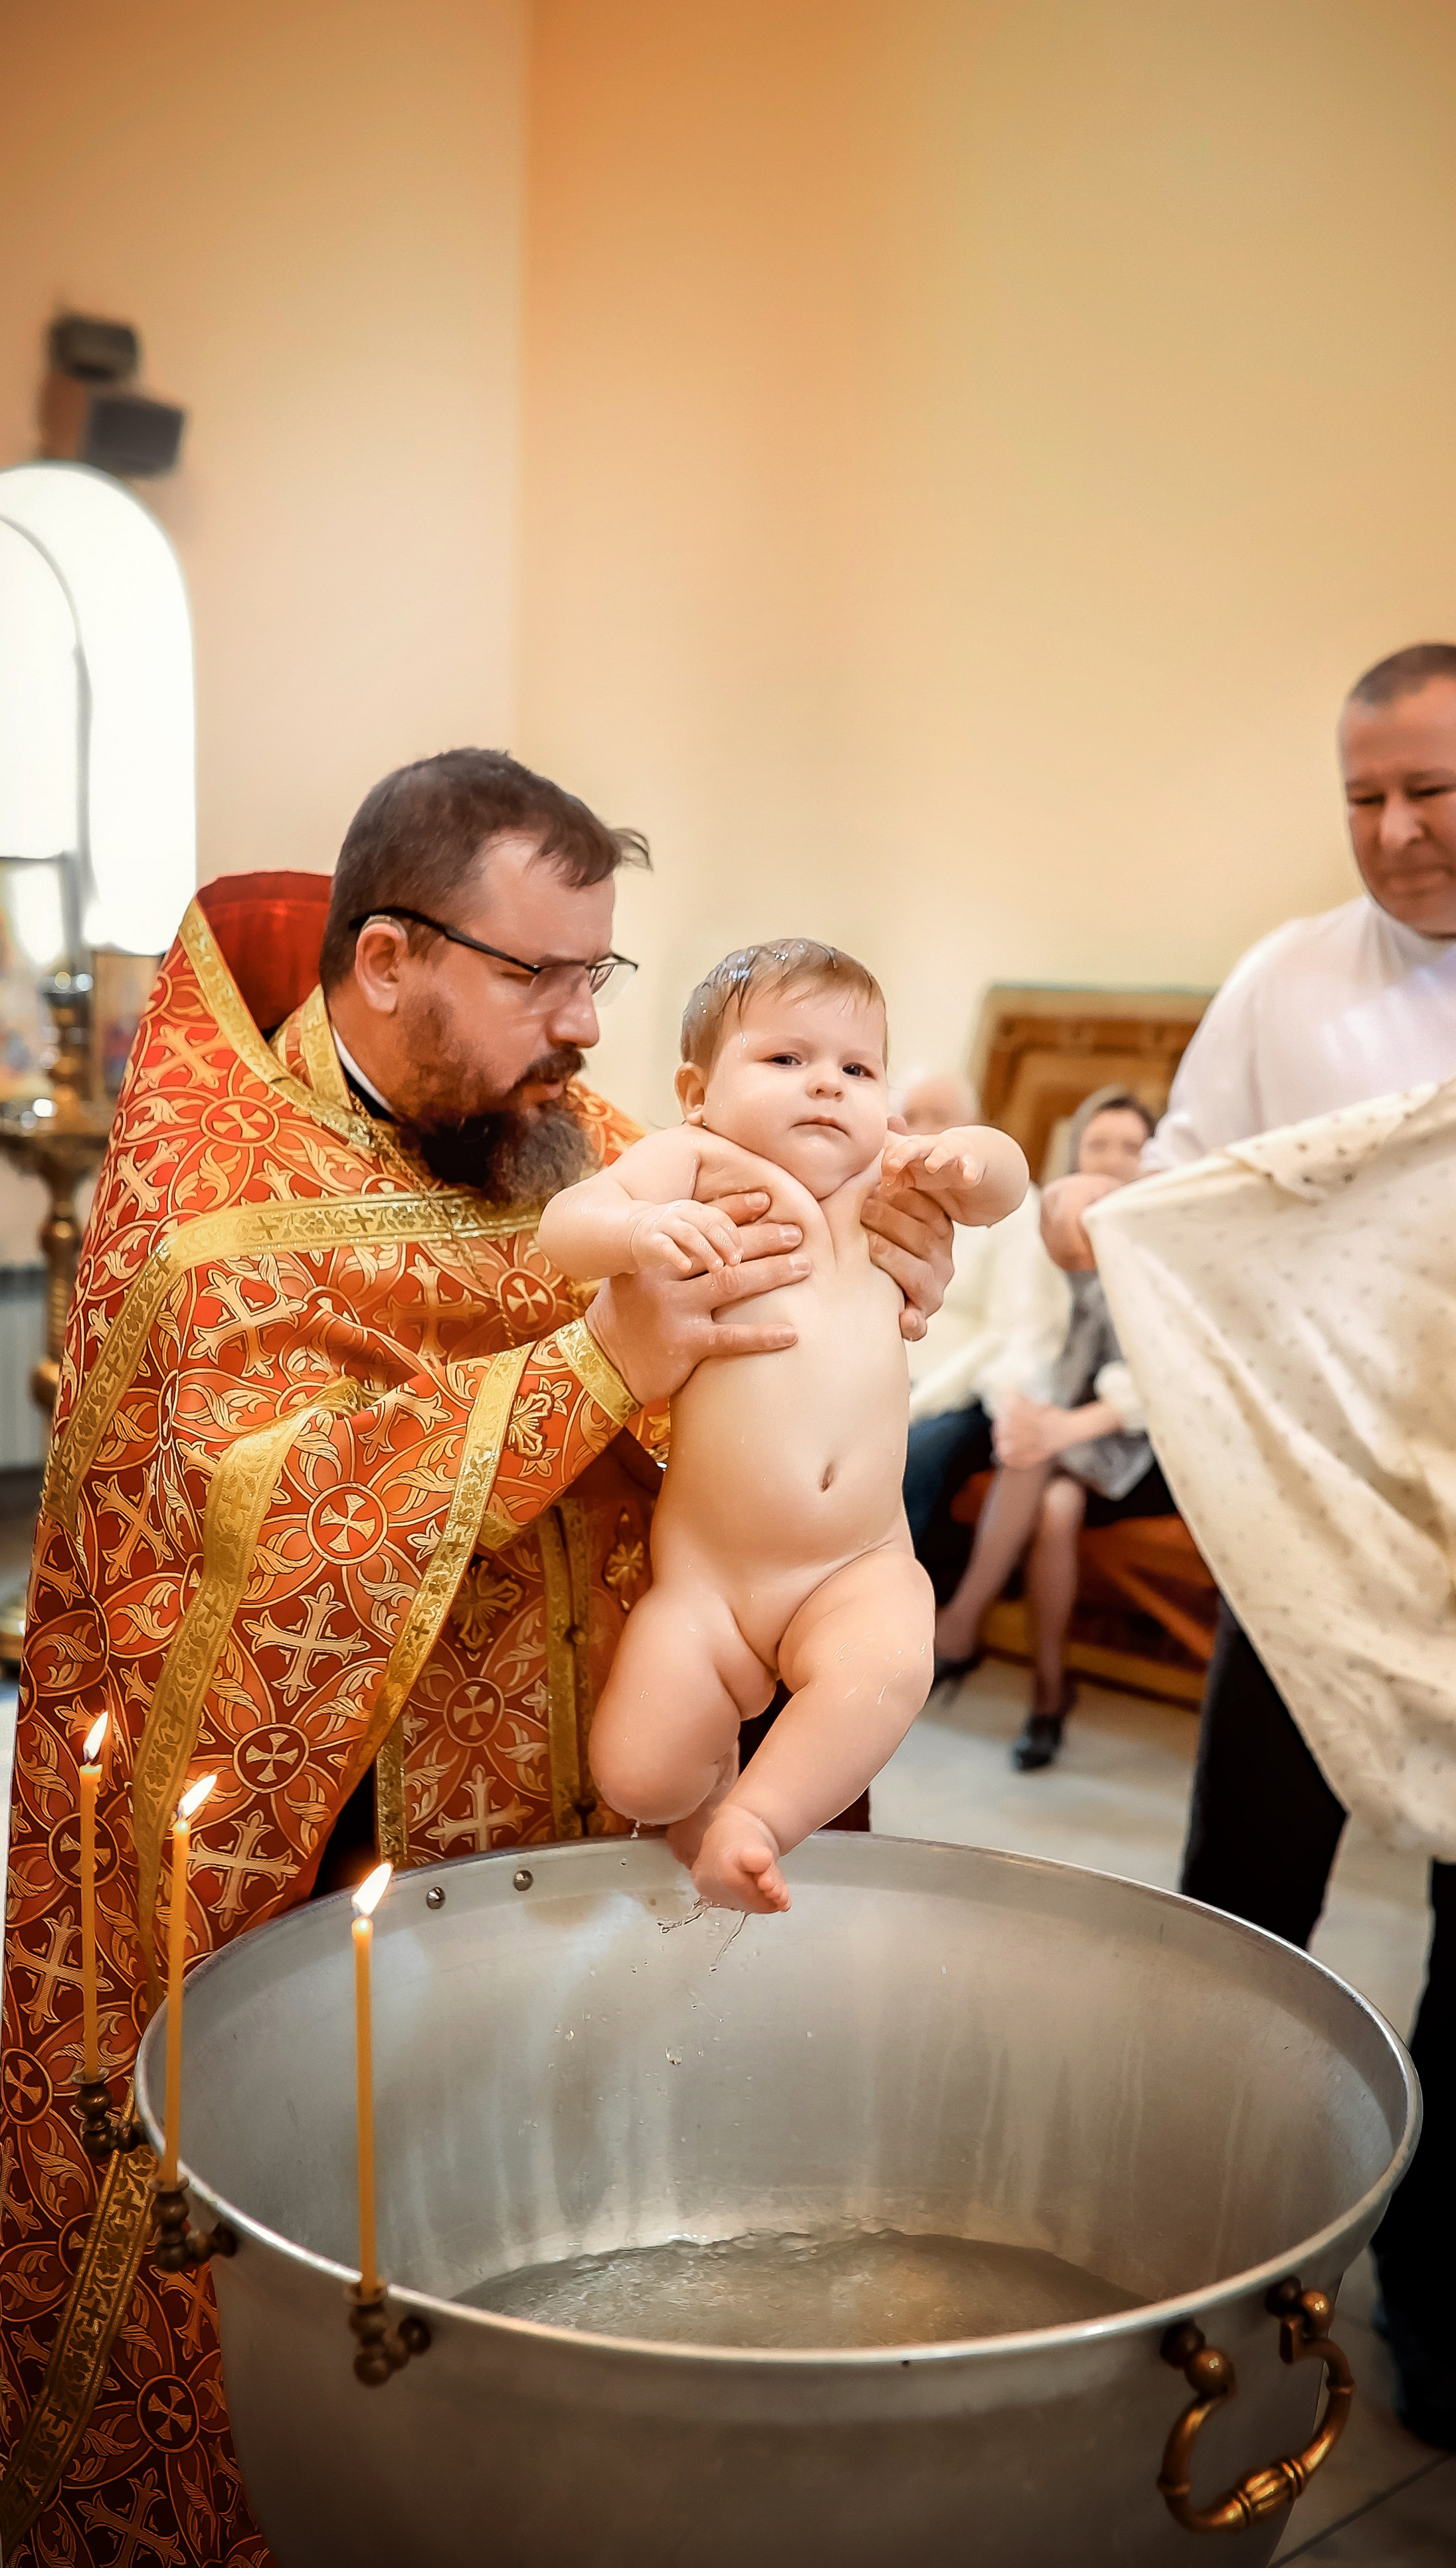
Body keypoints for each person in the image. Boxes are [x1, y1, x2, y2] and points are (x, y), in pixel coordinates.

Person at [0, 756, 953, 2567]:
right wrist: (605, 1361)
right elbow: (252, 1533)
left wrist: (862, 1300)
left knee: (516, 2291)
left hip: (557, 1795)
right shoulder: (211, 1198)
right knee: (309, 2306)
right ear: (385, 961)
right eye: (543, 980)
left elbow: (735, 1417)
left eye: (602, 972)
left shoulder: (573, 1134)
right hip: (316, 1863)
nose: (583, 1027)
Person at [1044, 643, 1456, 2454]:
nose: (1396, 831)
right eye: (1362, 797)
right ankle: (1218, 2225)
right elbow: (1163, 1189)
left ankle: (1440, 2268)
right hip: (1319, 1540)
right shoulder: (1286, 980)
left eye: (1431, 789)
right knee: (1243, 1903)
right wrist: (1078, 1208)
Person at [539, 941, 1028, 1913]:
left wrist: (971, 1162)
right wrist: (639, 1231)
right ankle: (703, 1784)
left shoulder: (889, 1179)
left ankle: (755, 1819)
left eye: (856, 1068)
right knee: (637, 1773)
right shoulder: (694, 1164)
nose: (826, 1089)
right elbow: (565, 1225)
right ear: (696, 1087)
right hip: (711, 1584)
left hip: (856, 1561)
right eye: (786, 1060)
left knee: (892, 1662)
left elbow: (1006, 1181)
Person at [933, 1088, 1172, 1770]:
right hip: (1062, 1430)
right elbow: (1029, 1338)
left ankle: (957, 1627)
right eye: (1099, 1145)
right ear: (1076, 1152)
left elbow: (1158, 1382)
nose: (1114, 1159)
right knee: (1056, 1508)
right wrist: (1023, 1411)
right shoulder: (1052, 1225)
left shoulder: (1161, 1237)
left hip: (1138, 1435)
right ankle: (1046, 1694)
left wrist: (1057, 1429)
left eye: (1131, 1146)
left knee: (1039, 1463)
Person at [895, 1067, 1069, 1554]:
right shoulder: (883, 1197)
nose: (925, 1128)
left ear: (974, 1125)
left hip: (966, 1389)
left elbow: (1010, 1334)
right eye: (912, 1115)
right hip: (884, 1374)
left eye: (941, 1116)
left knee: (902, 1458)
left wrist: (917, 1405)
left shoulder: (1016, 1209)